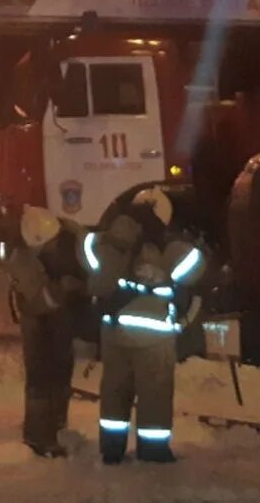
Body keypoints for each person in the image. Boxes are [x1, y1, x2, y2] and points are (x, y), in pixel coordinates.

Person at [86, 186, 207, 464]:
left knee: (115, 390)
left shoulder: (108, 242)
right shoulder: (166, 246)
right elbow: (195, 268)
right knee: (154, 394)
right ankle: (153, 450)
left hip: (113, 330)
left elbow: (88, 258)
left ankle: (112, 448)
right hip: (152, 333)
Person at [5, 204, 87, 458]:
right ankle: (39, 438)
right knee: (41, 378)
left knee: (61, 372)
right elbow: (45, 299)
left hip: (58, 318)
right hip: (37, 320)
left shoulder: (63, 236)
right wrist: (67, 287)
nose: (52, 247)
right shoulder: (21, 258)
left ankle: (57, 426)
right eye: (47, 245)